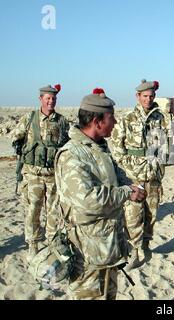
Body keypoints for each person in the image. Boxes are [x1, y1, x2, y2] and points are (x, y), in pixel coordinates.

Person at [54, 88, 146, 300]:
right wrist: (126, 193)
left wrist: (132, 185)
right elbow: (89, 201)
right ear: (97, 121)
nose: (114, 122)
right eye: (110, 117)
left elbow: (114, 174)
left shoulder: (98, 148)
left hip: (108, 248)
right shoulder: (72, 155)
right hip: (88, 255)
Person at [111, 79, 166, 269]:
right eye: (144, 96)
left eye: (151, 96)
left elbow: (165, 145)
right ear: (137, 96)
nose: (148, 99)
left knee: (151, 215)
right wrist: (127, 170)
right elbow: (117, 149)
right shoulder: (127, 119)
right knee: (133, 216)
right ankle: (133, 251)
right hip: (134, 177)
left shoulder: (160, 118)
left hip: (153, 176)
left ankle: (146, 245)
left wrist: (160, 166)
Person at [12, 84, 70, 258]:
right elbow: (16, 137)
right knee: (33, 211)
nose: (51, 101)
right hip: (33, 175)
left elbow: (67, 145)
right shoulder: (30, 119)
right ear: (41, 99)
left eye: (53, 98)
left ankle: (53, 242)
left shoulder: (62, 121)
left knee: (54, 211)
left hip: (53, 176)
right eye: (48, 98)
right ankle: (33, 244)